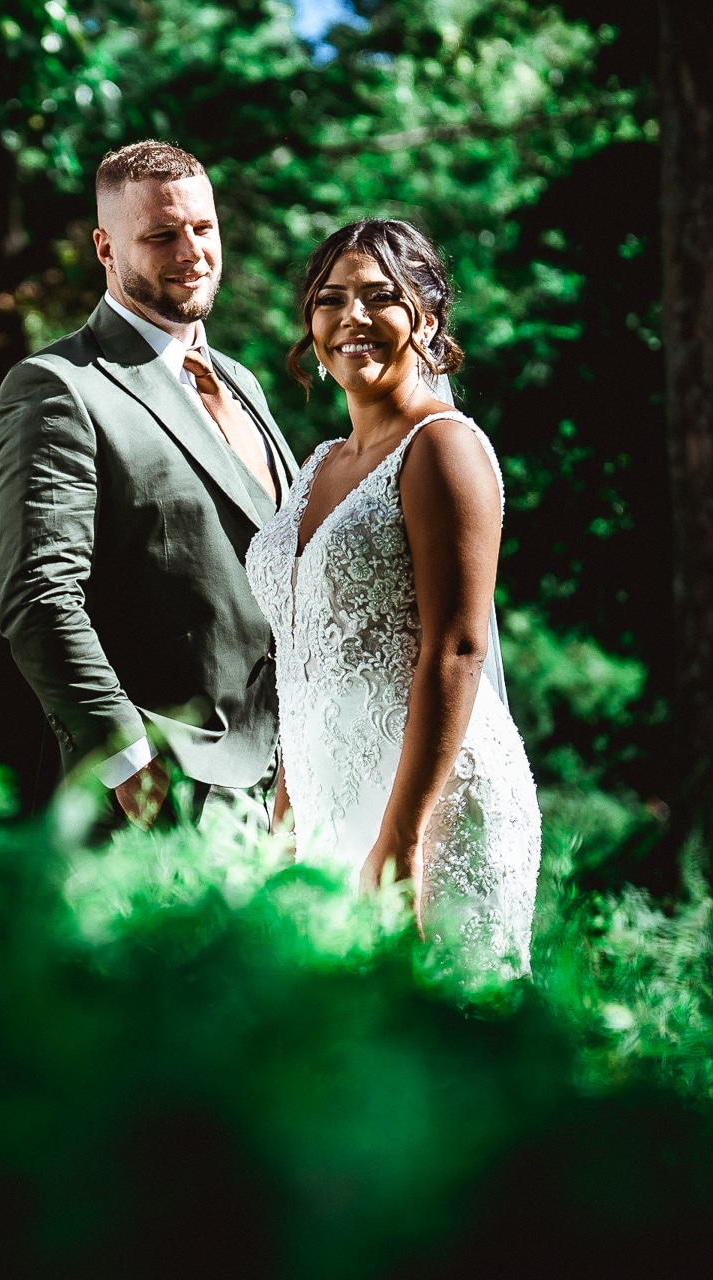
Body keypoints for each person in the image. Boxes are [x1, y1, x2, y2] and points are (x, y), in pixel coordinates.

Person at [245, 218, 541, 974]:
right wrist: (286, 813)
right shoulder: (319, 464)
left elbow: (458, 647)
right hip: (329, 799)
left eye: (380, 297)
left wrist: (403, 838)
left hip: (432, 809)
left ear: (428, 320)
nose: (353, 317)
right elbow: (307, 659)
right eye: (330, 299)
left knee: (444, 1026)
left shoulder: (442, 447)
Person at [0, 140, 295, 828]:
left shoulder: (242, 383)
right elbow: (39, 597)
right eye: (161, 235)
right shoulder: (58, 388)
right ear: (105, 248)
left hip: (286, 795)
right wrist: (132, 765)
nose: (192, 252)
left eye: (204, 228)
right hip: (162, 798)